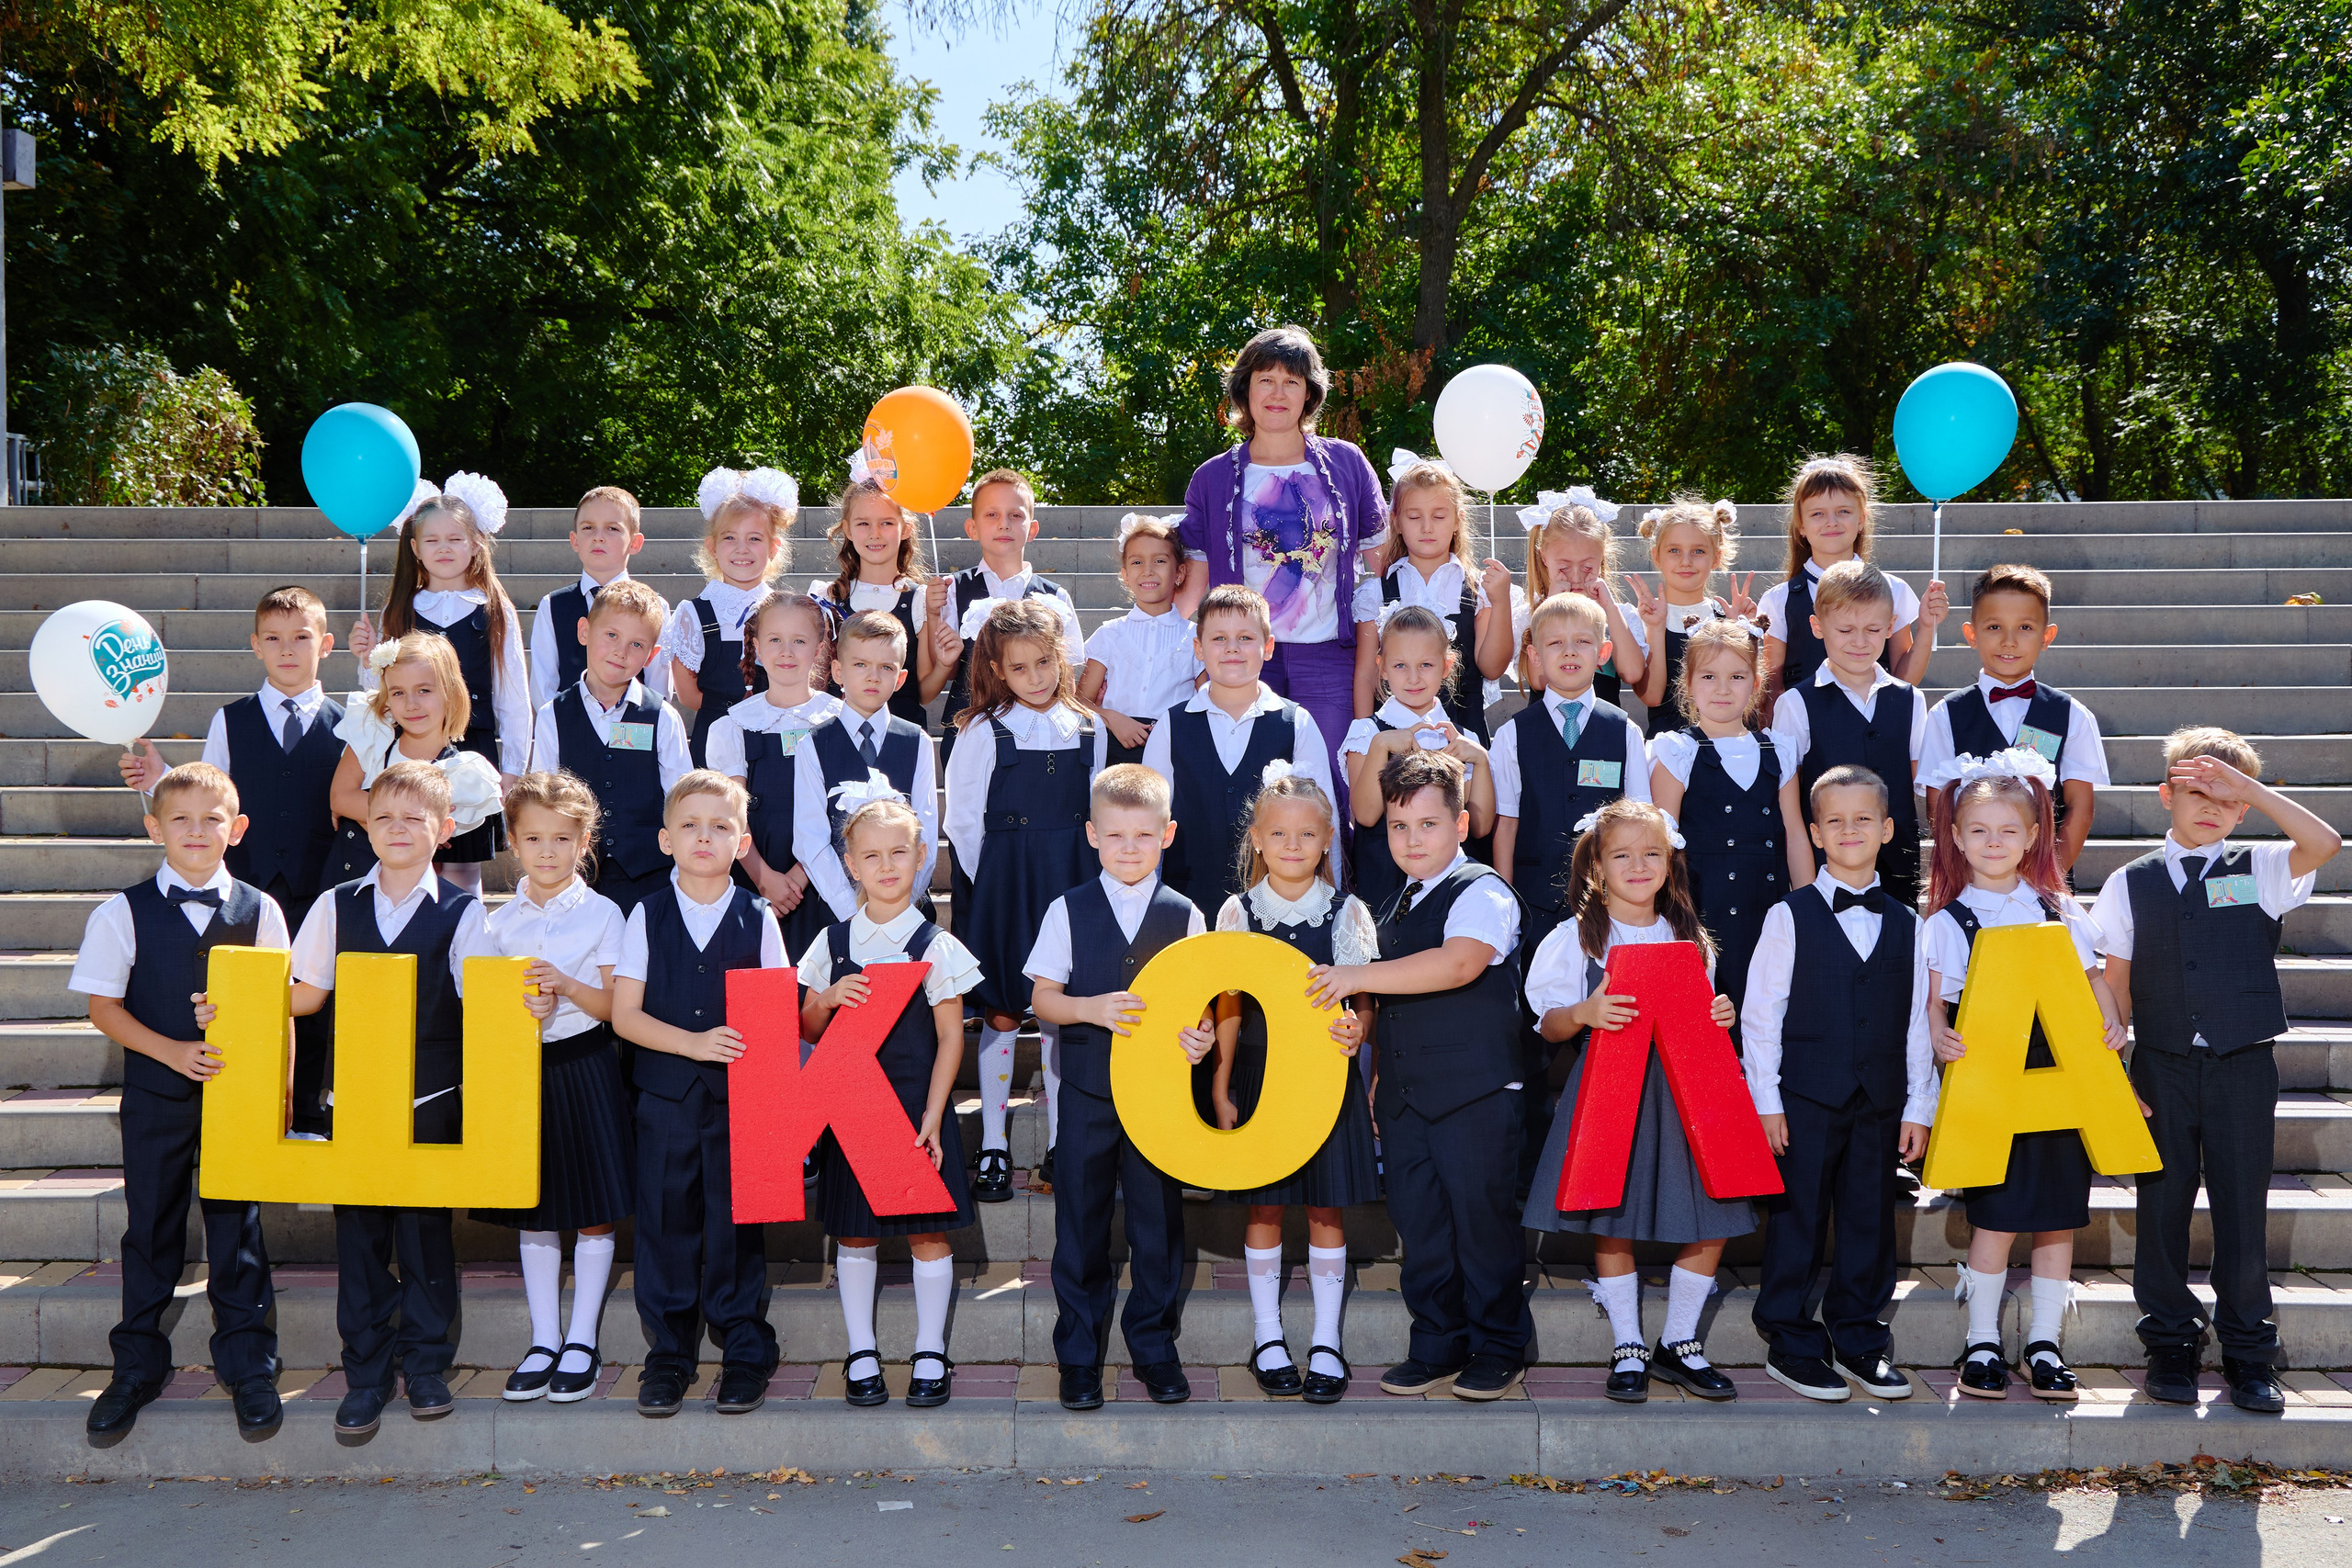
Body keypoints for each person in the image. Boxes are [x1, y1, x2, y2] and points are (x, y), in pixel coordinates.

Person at [2092, 727, 2341, 1414]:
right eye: (2197, 790)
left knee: (2241, 1208)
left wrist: (2255, 790)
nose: (2210, 804)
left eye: (2226, 797)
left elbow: (2324, 845)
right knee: (2162, 1206)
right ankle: (2170, 1343)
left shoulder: (2260, 867)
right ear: (2166, 795)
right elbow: (2112, 985)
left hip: (2242, 1066)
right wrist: (2115, 1073)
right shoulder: (2129, 882)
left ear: (2243, 811)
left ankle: (2249, 1351)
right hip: (2161, 1066)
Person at [72, 762, 288, 1443]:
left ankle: (249, 1363)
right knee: (152, 1226)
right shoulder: (121, 910)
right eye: (182, 819)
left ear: (238, 828)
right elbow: (104, 1006)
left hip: (237, 1097)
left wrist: (278, 1088)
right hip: (157, 1093)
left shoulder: (263, 909)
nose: (197, 831)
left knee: (237, 1229)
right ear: (154, 827)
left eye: (212, 818)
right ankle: (136, 1365)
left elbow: (280, 1008)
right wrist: (170, 1049)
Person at [1308, 750, 1530, 1402]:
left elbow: (1459, 965)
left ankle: (1498, 1345)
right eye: (1400, 827)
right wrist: (1379, 1075)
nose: (1412, 839)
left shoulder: (1482, 890)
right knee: (1422, 1226)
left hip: (1476, 1094)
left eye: (1428, 824)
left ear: (1462, 823)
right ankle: (1438, 1340)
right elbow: (1395, 1002)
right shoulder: (1400, 900)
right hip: (1408, 1098)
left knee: (1481, 1225)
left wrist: (1354, 976)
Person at [288, 761, 492, 1436]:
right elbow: (304, 996)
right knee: (361, 1238)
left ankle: (427, 1364)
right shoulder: (334, 904)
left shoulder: (464, 913)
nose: (397, 829)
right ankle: (367, 1373)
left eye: (414, 818)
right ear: (363, 824)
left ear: (446, 829)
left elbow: (481, 1007)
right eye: (384, 818)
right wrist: (227, 1006)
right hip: (355, 1103)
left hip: (430, 1100)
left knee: (426, 1237)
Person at [1521, 798, 1748, 1403]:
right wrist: (1584, 1012)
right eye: (1622, 854)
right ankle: (1628, 1342)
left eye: (1651, 853)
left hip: (1684, 1093)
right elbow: (1545, 1022)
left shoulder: (1687, 937)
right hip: (1609, 1088)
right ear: (1596, 865)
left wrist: (1718, 1013)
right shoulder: (1575, 938)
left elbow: (1702, 1012)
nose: (1639, 864)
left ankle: (1679, 1341)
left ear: (1670, 862)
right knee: (1610, 1209)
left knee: (1713, 1208)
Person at [1923, 750, 2126, 1400]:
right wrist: (1934, 1032)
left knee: (2056, 1215)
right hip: (1991, 1080)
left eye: (2008, 830)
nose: (1993, 842)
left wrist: (2113, 1024)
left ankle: (2044, 1340)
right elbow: (1933, 1000)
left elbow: (2094, 979)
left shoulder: (2057, 910)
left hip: (2058, 1074)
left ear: (2034, 834)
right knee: (1997, 1213)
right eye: (1978, 830)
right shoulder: (1947, 921)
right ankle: (1981, 1340)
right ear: (1955, 835)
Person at [1740, 765, 1936, 1403]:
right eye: (1835, 820)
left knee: (1868, 1219)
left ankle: (1858, 1336)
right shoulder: (1788, 915)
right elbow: (1761, 1014)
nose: (1849, 829)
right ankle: (1790, 1338)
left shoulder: (1912, 923)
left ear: (1885, 829)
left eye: (1863, 819)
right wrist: (1765, 1101)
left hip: (1879, 1100)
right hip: (1804, 1095)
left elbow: (1915, 1021)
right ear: (1816, 833)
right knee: (1797, 1219)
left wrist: (1917, 1104)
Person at [121, 584, 344, 1136]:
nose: (287, 650)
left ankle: (308, 1110)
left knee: (313, 997)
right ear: (254, 645)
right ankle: (240, 1102)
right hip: (250, 887)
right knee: (239, 999)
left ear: (327, 645)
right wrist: (159, 780)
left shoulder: (350, 722)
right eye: (273, 639)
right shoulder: (231, 720)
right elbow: (208, 794)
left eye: (300, 638)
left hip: (321, 882)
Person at [1025, 764, 1211, 1412]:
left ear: (1168, 834)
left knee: (1157, 1227)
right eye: (1115, 835)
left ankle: (1154, 1346)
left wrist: (1202, 1038)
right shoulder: (1067, 908)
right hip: (1086, 1094)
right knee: (1080, 1224)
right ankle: (1078, 1354)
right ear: (1092, 834)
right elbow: (1043, 998)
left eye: (1143, 834)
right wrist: (1090, 1008)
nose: (1129, 847)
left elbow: (1200, 1009)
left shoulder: (1185, 914)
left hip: (1159, 1099)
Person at [798, 787, 984, 1409]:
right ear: (850, 862)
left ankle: (930, 1350)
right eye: (871, 854)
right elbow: (805, 1026)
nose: (885, 865)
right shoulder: (831, 943)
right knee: (856, 1237)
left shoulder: (936, 945)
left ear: (921, 856)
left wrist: (935, 1115)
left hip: (912, 1109)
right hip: (851, 1109)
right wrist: (825, 999)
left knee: (928, 1236)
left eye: (899, 852)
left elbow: (951, 1036)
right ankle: (861, 1351)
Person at [612, 772, 787, 1417]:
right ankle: (670, 1353)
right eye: (690, 824)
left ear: (742, 842)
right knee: (666, 1221)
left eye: (720, 825)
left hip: (740, 1098)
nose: (704, 836)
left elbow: (775, 1011)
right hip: (664, 1096)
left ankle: (743, 1346)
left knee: (738, 1221)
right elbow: (625, 1014)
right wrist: (690, 1043)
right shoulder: (646, 913)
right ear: (666, 839)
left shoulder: (757, 914)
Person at [1207, 766, 1380, 1403]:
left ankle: (1328, 1339)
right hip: (1258, 1071)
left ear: (1327, 839)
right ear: (1257, 837)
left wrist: (1357, 1034)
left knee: (1325, 1206)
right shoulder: (1237, 911)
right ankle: (1268, 1333)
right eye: (1279, 833)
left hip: (1322, 1077)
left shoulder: (1345, 912)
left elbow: (1363, 1002)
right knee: (1265, 1204)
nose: (1292, 845)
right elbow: (1227, 1004)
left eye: (1306, 834)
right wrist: (1222, 1084)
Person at [473, 773, 633, 1404]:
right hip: (520, 1073)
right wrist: (516, 1010)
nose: (546, 851)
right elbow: (484, 1004)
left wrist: (563, 986)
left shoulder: (604, 912)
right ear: (513, 841)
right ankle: (544, 1337)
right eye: (533, 837)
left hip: (586, 1064)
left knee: (592, 1210)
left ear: (583, 841)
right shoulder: (498, 921)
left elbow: (613, 1006)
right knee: (532, 1205)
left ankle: (582, 1340)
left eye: (561, 838)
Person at [1177, 325, 1390, 792]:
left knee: (1332, 787)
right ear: (1244, 390)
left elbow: (1380, 561)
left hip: (1330, 660)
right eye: (1265, 380)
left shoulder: (1348, 463)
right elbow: (1194, 583)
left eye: (1292, 381)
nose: (1278, 393)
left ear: (1309, 393)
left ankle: (1336, 871)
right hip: (1245, 658)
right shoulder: (1212, 478)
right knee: (1253, 794)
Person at [945, 599, 1110, 1201]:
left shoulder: (1086, 725)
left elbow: (1098, 810)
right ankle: (993, 1139)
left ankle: (1064, 1143)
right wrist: (990, 884)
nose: (1036, 677)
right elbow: (963, 821)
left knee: (1063, 1011)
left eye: (1045, 662)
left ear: (1061, 657)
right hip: (1007, 882)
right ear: (998, 669)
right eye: (1020, 668)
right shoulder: (984, 730)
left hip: (1071, 877)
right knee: (1005, 1011)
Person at [1645, 618, 1811, 1051]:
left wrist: (1809, 906)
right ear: (1689, 682)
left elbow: (1794, 832)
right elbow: (1664, 842)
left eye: (1737, 677)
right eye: (1709, 677)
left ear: (1755, 683)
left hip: (1769, 909)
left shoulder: (1779, 749)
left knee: (1769, 1015)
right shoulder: (1675, 750)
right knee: (1710, 1025)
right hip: (1703, 911)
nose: (1723, 688)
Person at [348, 475, 531, 852]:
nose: (443, 548)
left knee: (464, 860)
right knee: (410, 848)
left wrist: (512, 771)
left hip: (471, 748)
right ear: (415, 547)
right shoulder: (399, 609)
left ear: (476, 543)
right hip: (408, 749)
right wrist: (366, 657)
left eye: (454, 539)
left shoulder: (495, 611)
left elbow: (513, 697)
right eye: (432, 540)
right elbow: (377, 691)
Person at [1140, 584, 1335, 916]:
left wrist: (1327, 904)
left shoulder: (1296, 722)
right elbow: (1148, 822)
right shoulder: (1171, 726)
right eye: (1219, 639)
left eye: (1245, 638)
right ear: (1198, 648)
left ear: (1268, 646)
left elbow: (1324, 820)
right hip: (1188, 906)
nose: (1232, 648)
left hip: (1279, 909)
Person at [1917, 564, 2109, 876]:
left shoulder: (2072, 714)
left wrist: (2045, 878)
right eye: (1994, 627)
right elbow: (1937, 809)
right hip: (1969, 885)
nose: (2009, 641)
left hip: (2045, 884)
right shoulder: (1945, 714)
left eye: (2025, 628)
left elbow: (2080, 809)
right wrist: (1967, 879)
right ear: (1971, 634)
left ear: (2047, 636)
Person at [1491, 591, 1652, 956]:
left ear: (1603, 654)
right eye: (1555, 643)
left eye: (1582, 641)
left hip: (1609, 903)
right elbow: (1507, 823)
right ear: (1534, 656)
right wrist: (1506, 900)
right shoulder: (1512, 734)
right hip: (1535, 903)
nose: (1569, 651)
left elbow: (1639, 822)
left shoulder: (1624, 731)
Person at [526, 579, 693, 916]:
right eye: (612, 635)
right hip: (574, 881)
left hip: (650, 880)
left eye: (637, 644)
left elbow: (682, 800)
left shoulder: (662, 716)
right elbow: (541, 800)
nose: (621, 651)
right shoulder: (552, 716)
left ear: (652, 655)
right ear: (584, 631)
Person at [1770, 559, 1928, 908]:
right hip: (1823, 881)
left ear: (1890, 627)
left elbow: (1919, 787)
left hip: (1897, 881)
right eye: (1845, 630)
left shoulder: (1910, 700)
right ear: (1817, 626)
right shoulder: (1796, 704)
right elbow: (1787, 807)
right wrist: (1805, 889)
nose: (1859, 642)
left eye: (1872, 630)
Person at [707, 591, 844, 956]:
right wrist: (763, 877)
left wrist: (801, 876)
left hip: (823, 879)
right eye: (775, 640)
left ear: (819, 650)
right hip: (754, 876)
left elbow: (846, 808)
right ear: (756, 647)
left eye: (799, 641)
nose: (786, 651)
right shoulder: (733, 726)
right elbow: (730, 812)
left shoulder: (840, 720)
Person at [1341, 604, 1496, 915]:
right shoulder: (1366, 732)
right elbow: (1366, 815)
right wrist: (1381, 745)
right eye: (1400, 666)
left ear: (1447, 665)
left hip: (1449, 892)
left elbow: (1479, 827)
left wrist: (1480, 761)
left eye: (1425, 664)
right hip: (1384, 887)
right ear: (1381, 667)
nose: (1413, 677)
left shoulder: (1465, 739)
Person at [1351, 456, 1517, 743]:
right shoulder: (1375, 593)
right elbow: (1367, 673)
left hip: (1462, 734)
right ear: (1397, 522)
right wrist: (1363, 734)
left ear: (1457, 520)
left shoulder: (1477, 591)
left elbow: (1491, 667)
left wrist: (1501, 603)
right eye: (1415, 517)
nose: (1427, 527)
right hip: (1394, 735)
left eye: (1439, 516)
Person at [324, 632, 504, 895]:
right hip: (353, 890)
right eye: (398, 693)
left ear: (450, 692)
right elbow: (340, 797)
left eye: (424, 690)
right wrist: (414, 824)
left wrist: (368, 814)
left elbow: (462, 877)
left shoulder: (464, 776)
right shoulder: (374, 736)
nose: (411, 704)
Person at [1756, 454, 1947, 698]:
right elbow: (1773, 688)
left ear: (1861, 519)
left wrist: (1927, 627)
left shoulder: (1893, 589)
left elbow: (1905, 680)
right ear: (1801, 525)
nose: (1831, 522)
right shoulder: (1779, 599)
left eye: (1843, 511)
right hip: (1804, 732)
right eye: (1817, 514)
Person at [792, 611, 941, 923]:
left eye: (886, 667)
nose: (873, 676)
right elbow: (810, 839)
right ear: (837, 671)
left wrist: (899, 906)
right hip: (839, 914)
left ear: (900, 678)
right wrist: (856, 913)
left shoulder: (918, 742)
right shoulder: (813, 744)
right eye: (860, 664)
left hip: (906, 912)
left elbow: (924, 833)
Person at [929, 467, 1085, 747]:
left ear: (1033, 529)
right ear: (972, 528)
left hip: (1037, 738)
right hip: (969, 731)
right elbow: (948, 671)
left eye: (1015, 515)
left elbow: (1067, 680)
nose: (1004, 524)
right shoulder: (952, 590)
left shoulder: (1055, 597)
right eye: (992, 515)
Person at [669, 465, 797, 766]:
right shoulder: (695, 614)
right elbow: (687, 694)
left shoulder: (788, 611)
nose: (742, 549)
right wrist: (732, 716)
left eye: (754, 539)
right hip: (715, 742)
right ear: (712, 547)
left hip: (774, 743)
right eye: (730, 538)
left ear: (773, 547)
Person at [529, 484, 672, 710]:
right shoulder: (552, 606)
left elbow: (659, 685)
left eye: (612, 529)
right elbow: (543, 687)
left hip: (633, 732)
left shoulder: (656, 607)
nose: (598, 537)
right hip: (570, 732)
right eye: (588, 528)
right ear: (574, 541)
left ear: (634, 543)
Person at [1626, 498, 1758, 733]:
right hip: (1671, 751)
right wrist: (1655, 628)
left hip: (1728, 746)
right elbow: (1652, 697)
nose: (1685, 561)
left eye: (1698, 551)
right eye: (1674, 550)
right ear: (1656, 556)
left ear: (1716, 558)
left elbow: (1754, 694)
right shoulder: (1645, 620)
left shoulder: (1728, 617)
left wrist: (1743, 634)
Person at [815, 475, 936, 730]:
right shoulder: (829, 598)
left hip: (902, 735)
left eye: (887, 522)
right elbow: (817, 682)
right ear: (847, 529)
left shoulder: (920, 600)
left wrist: (946, 663)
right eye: (863, 523)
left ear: (906, 528)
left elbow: (924, 692)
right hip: (840, 735)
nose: (875, 533)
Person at [1080, 513, 1201, 767]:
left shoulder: (1195, 637)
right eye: (1137, 562)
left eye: (1159, 561)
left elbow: (1208, 698)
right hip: (1114, 748)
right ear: (1125, 575)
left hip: (1176, 750)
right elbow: (1079, 700)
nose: (1147, 571)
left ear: (1179, 573)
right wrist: (1111, 717)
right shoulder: (1109, 634)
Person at [1520, 500, 1648, 713]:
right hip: (1545, 733)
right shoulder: (1533, 613)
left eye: (1588, 567)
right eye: (1564, 567)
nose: (1576, 577)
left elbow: (1633, 673)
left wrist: (1609, 608)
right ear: (1544, 557)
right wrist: (1550, 607)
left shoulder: (1618, 615)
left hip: (1602, 730)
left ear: (1602, 557)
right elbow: (1538, 681)